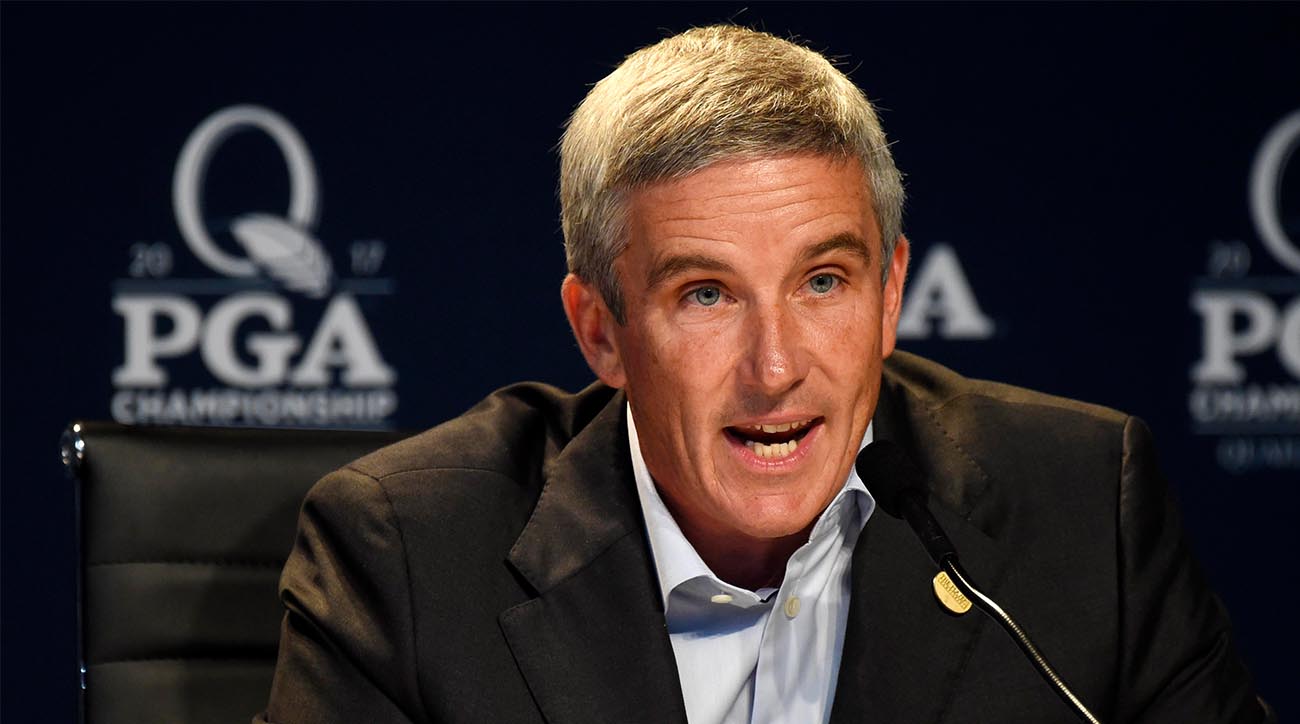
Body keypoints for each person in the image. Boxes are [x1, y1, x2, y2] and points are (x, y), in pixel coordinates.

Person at [256, 25, 1271, 724]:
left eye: (822, 282)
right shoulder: (410, 555)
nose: (776, 367)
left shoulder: (1082, 505)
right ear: (600, 332)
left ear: (890, 296)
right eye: (706, 294)